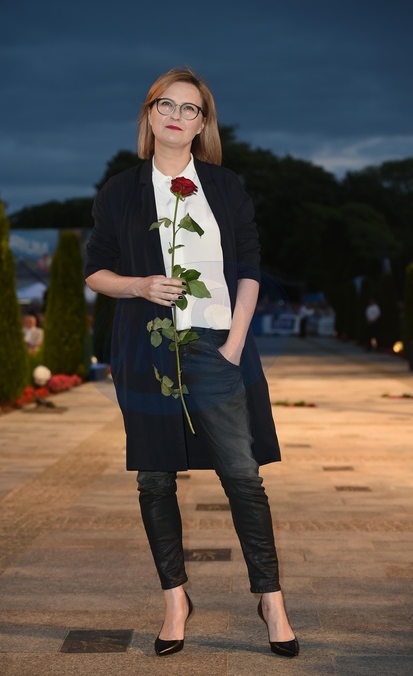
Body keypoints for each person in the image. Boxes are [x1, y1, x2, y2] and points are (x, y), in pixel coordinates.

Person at [85, 67, 299, 658]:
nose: (177, 116)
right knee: (155, 478)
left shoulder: (224, 187)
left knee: (242, 475)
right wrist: (137, 286)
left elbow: (249, 268)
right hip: (146, 348)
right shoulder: (120, 190)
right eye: (166, 105)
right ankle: (175, 599)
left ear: (203, 123)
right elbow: (95, 269)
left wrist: (233, 344)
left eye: (191, 109)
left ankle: (271, 599)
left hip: (215, 344)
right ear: (149, 113)